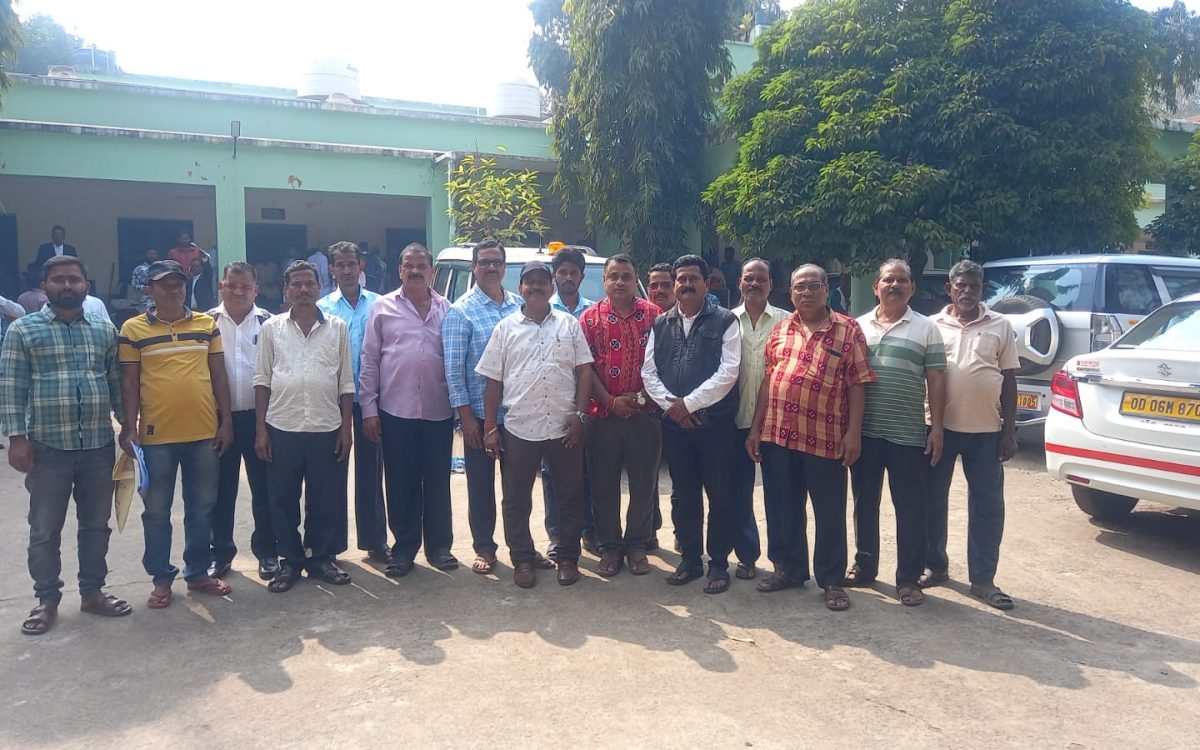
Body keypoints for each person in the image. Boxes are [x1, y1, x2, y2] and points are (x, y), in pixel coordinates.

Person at [1, 256, 131, 635]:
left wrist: (127, 426)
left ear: (86, 285)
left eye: (74, 279)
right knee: (45, 528)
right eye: (58, 280)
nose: (67, 285)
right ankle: (47, 600)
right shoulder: (23, 330)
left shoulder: (104, 330)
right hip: (47, 447)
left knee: (96, 525)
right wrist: (16, 439)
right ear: (45, 286)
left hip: (97, 445)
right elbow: (11, 387)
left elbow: (115, 382)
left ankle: (93, 592)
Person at [746, 264, 875, 611]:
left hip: (826, 437)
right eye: (799, 287)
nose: (806, 293)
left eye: (813, 286)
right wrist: (756, 429)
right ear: (790, 293)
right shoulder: (780, 330)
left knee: (829, 512)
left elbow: (858, 383)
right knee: (783, 508)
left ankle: (832, 581)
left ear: (826, 290)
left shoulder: (848, 330)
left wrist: (854, 434)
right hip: (779, 436)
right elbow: (769, 381)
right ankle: (788, 570)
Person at [118, 259, 234, 609]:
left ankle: (197, 572)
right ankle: (161, 578)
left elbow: (219, 374)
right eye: (164, 284)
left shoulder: (206, 324)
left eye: (178, 283)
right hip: (156, 438)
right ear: (149, 290)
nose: (173, 289)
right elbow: (129, 382)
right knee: (156, 511)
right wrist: (129, 427)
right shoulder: (133, 329)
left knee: (201, 507)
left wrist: (226, 421)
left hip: (204, 433)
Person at [477, 261, 593, 588]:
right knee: (516, 500)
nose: (537, 286)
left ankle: (567, 558)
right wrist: (490, 427)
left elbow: (584, 371)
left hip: (564, 427)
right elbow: (493, 382)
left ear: (551, 287)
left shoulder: (569, 325)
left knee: (569, 496)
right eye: (530, 282)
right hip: (520, 429)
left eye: (543, 281)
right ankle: (523, 559)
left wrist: (580, 415)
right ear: (521, 288)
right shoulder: (505, 328)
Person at [846, 259, 947, 607]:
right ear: (875, 287)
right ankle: (864, 567)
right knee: (864, 503)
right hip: (866, 432)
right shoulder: (858, 327)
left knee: (910, 508)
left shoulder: (926, 328)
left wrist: (937, 429)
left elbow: (936, 380)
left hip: (908, 434)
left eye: (902, 280)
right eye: (888, 280)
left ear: (912, 288)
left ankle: (908, 579)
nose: (895, 285)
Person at [921, 259, 1019, 610]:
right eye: (960, 286)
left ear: (982, 290)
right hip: (938, 429)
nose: (966, 292)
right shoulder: (932, 325)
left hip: (986, 431)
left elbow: (1009, 380)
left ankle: (983, 579)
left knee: (987, 507)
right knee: (932, 501)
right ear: (949, 289)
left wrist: (1009, 431)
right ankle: (935, 566)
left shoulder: (1001, 325)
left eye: (973, 286)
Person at [641, 254, 742, 594]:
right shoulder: (661, 324)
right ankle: (690, 560)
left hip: (715, 426)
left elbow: (729, 371)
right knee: (683, 495)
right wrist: (674, 407)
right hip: (676, 427)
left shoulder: (725, 320)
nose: (686, 285)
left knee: (720, 495)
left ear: (706, 283)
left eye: (692, 279)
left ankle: (718, 564)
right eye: (680, 279)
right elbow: (649, 372)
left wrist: (689, 404)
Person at [254, 260, 356, 593]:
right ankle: (291, 562)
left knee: (325, 499)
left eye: (309, 283)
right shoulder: (272, 328)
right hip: (282, 425)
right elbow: (262, 379)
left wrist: (346, 428)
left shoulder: (338, 327)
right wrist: (261, 430)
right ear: (286, 290)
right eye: (296, 284)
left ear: (319, 287)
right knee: (283, 499)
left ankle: (320, 558)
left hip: (327, 426)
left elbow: (346, 381)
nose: (303, 290)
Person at [443, 240, 540, 575]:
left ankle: (524, 548)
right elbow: (454, 371)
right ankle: (484, 547)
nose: (491, 268)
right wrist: (466, 419)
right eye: (484, 262)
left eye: (497, 262)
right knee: (481, 487)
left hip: (517, 416)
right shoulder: (460, 311)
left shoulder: (519, 307)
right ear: (474, 267)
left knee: (518, 489)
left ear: (504, 267)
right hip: (480, 417)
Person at [360, 243, 457, 576]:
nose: (415, 271)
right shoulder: (383, 307)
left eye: (421, 266)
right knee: (401, 483)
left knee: (437, 481)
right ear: (399, 270)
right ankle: (403, 550)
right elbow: (369, 359)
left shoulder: (447, 309)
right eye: (409, 266)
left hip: (438, 411)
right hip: (395, 411)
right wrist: (369, 408)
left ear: (431, 271)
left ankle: (439, 547)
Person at [580, 254, 661, 577]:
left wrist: (639, 398)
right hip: (603, 415)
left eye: (626, 276)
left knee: (644, 483)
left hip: (645, 413)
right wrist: (610, 401)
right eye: (613, 276)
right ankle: (610, 547)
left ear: (635, 279)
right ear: (604, 280)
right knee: (603, 484)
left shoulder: (655, 316)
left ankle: (637, 545)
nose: (619, 282)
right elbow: (585, 368)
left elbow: (663, 364)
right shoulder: (589, 319)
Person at [206, 262, 278, 581]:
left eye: (245, 287)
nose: (238, 292)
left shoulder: (270, 323)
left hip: (260, 419)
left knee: (264, 490)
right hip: (217, 420)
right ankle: (220, 554)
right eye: (231, 286)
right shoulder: (206, 323)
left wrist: (265, 426)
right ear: (221, 286)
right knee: (220, 492)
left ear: (256, 290)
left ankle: (268, 552)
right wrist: (221, 420)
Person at [317, 242, 387, 564]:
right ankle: (331, 545)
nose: (346, 270)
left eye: (351, 264)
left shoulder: (380, 305)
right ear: (331, 269)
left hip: (372, 400)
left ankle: (375, 541)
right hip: (334, 402)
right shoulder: (322, 308)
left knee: (372, 473)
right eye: (340, 265)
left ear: (362, 266)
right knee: (332, 473)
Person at [730, 258, 788, 582]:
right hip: (735, 420)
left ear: (771, 284)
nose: (754, 284)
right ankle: (747, 556)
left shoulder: (787, 322)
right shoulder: (726, 321)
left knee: (779, 495)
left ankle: (782, 560)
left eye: (761, 279)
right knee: (739, 494)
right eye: (748, 278)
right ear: (740, 282)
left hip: (775, 424)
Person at [545, 247, 598, 556]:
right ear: (555, 275)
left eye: (573, 273)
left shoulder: (593, 312)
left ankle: (590, 532)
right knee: (553, 474)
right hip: (554, 406)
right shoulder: (541, 310)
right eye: (562, 272)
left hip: (592, 406)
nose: (567, 277)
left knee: (589, 471)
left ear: (581, 276)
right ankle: (557, 536)